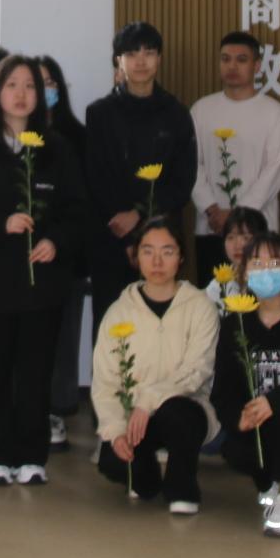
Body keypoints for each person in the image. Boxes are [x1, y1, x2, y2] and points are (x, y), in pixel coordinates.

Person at [0, 55, 84, 487]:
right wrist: (2, 224)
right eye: (12, 85)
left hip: (41, 287)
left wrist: (55, 241)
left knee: (35, 374)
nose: (21, 94)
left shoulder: (57, 150)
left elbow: (77, 212)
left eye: (30, 86)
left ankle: (32, 455)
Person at [90, 215, 220, 515]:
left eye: (167, 251)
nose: (157, 261)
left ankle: (182, 489)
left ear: (181, 257)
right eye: (148, 251)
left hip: (185, 408)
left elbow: (196, 371)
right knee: (113, 462)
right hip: (133, 419)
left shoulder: (200, 306)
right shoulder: (119, 311)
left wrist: (148, 401)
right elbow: (105, 381)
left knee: (179, 414)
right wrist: (116, 430)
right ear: (136, 256)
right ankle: (146, 479)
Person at [84, 22, 196, 340]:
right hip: (112, 237)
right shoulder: (99, 113)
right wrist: (124, 226)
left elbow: (183, 181)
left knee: (161, 331)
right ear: (118, 61)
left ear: (159, 58)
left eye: (149, 52)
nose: (141, 61)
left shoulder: (176, 113)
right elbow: (95, 176)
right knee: (111, 329)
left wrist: (140, 216)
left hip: (162, 240)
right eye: (131, 53)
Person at [211, 229, 280, 537]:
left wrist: (275, 402)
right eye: (257, 263)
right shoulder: (234, 324)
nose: (266, 271)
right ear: (244, 272)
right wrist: (238, 417)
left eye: (275, 263)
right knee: (235, 448)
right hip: (258, 431)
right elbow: (222, 390)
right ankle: (270, 485)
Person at [189, 31, 280, 280]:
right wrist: (211, 209)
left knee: (259, 296)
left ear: (256, 66)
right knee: (212, 297)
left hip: (258, 229)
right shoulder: (201, 109)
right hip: (211, 227)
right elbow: (191, 164)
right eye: (225, 59)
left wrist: (238, 217)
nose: (232, 66)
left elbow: (275, 171)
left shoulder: (274, 113)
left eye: (241, 60)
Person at [37, 54, 88, 446]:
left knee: (64, 336)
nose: (43, 90)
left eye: (49, 82)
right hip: (23, 254)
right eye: (35, 82)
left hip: (66, 252)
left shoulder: (77, 136)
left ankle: (58, 409)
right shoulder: (13, 136)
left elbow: (82, 202)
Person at [201, 206, 268, 303]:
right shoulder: (219, 285)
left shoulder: (270, 281)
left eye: (246, 238)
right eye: (231, 237)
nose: (238, 246)